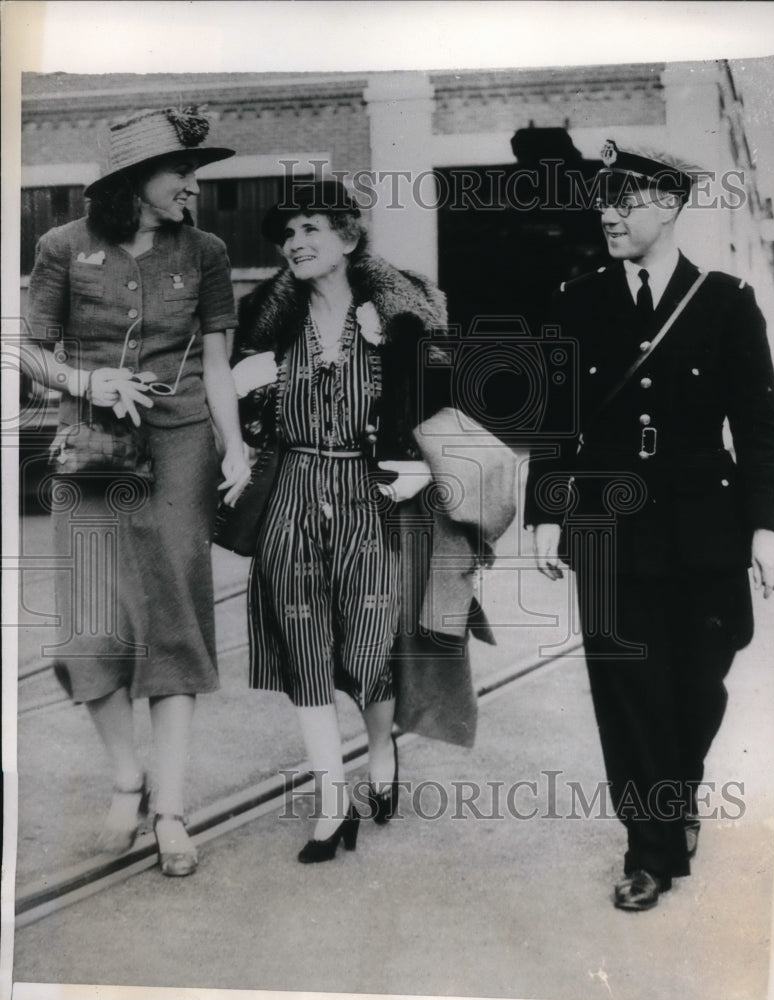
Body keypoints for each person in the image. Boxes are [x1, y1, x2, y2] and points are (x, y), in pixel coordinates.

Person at [524, 140, 774, 910]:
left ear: (667, 207)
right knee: (625, 687)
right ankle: (650, 846)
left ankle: (678, 790)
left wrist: (765, 529)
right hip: (606, 520)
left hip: (705, 521)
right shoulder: (577, 300)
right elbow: (553, 418)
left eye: (624, 200)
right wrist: (544, 512)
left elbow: (760, 427)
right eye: (602, 199)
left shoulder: (726, 302)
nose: (606, 213)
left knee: (699, 679)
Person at [24, 106, 251, 876]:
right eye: (180, 173)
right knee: (89, 628)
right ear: (134, 182)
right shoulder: (61, 246)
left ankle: (172, 810)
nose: (193, 185)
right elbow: (28, 351)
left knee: (173, 624)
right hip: (91, 449)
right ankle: (128, 775)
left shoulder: (208, 251)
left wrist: (237, 445)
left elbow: (218, 362)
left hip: (181, 444)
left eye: (194, 173)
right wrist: (91, 379)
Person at [231, 179, 453, 862]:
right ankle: (332, 803)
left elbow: (446, 400)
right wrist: (246, 412)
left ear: (348, 238)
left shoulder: (399, 316)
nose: (295, 243)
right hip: (291, 491)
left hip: (370, 493)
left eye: (310, 230)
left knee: (370, 647)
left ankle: (379, 750)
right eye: (287, 234)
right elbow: (236, 400)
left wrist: (420, 462)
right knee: (302, 645)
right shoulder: (266, 321)